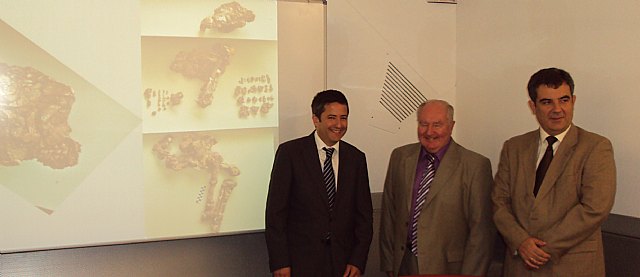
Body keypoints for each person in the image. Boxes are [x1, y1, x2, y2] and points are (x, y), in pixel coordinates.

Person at [492, 67, 616, 276]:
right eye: (547, 102)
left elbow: (595, 208)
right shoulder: (514, 147)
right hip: (519, 265)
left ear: (573, 101)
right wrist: (521, 242)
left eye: (564, 100)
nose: (557, 109)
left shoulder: (596, 147)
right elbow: (499, 202)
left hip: (572, 266)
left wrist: (542, 249)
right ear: (533, 106)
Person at [379, 100, 495, 276]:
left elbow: (481, 233)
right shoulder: (400, 157)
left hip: (449, 269)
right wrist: (389, 263)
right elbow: (389, 214)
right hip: (404, 264)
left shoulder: (475, 166)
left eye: (437, 125)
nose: (429, 132)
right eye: (423, 124)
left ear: (451, 126)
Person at [265, 89, 373, 277]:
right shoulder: (290, 154)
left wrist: (357, 260)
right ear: (316, 119)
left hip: (343, 266)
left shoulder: (356, 158)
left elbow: (364, 217)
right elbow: (276, 214)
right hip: (300, 264)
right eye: (332, 117)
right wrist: (280, 262)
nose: (339, 124)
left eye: (344, 118)